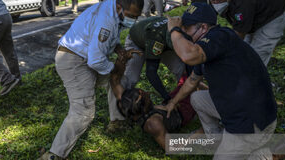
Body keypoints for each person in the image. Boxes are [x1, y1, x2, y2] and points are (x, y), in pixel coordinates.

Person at [158, 2, 277, 159]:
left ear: (204, 28)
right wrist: (173, 102)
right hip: (238, 108)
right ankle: (217, 140)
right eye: (183, 28)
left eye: (187, 29)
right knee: (197, 98)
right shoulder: (207, 47)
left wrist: (174, 30)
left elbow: (187, 55)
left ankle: (260, 154)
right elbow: (192, 81)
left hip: (251, 121)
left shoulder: (220, 36)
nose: (185, 33)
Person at [38, 0, 144, 159]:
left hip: (86, 56)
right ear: (119, 7)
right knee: (83, 111)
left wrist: (120, 51)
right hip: (74, 60)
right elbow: (95, 61)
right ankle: (54, 155)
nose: (133, 20)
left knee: (118, 81)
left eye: (136, 17)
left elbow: (111, 38)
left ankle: (117, 121)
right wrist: (114, 71)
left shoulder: (113, 8)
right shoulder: (106, 20)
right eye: (131, 16)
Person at [110, 46, 197, 150]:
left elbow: (114, 79)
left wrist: (122, 58)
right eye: (144, 94)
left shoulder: (125, 101)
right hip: (183, 111)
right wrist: (200, 133)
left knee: (188, 78)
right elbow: (171, 148)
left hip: (169, 103)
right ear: (143, 102)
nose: (147, 92)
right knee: (193, 82)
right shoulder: (153, 123)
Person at [123, 16, 187, 103]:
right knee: (131, 79)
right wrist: (167, 97)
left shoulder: (180, 26)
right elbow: (151, 73)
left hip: (158, 39)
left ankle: (186, 99)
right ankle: (125, 105)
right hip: (137, 43)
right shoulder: (157, 40)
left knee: (181, 68)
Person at [210, 0, 285, 66]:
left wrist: (223, 54)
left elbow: (239, 35)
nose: (216, 2)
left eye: (219, 0)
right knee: (244, 50)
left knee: (257, 55)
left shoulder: (243, 4)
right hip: (253, 15)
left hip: (273, 16)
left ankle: (255, 82)